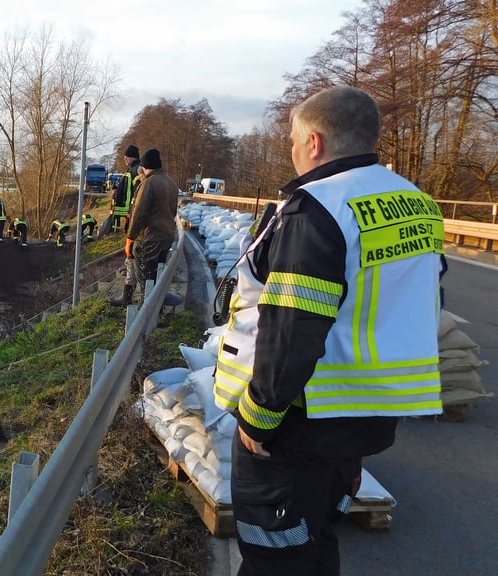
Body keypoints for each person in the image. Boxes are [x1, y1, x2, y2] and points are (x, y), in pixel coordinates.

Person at [213, 86, 445, 575]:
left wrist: (258, 415)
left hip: (296, 422)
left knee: (274, 556)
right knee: (315, 544)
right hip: (363, 419)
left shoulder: (318, 207)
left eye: (295, 141)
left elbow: (293, 325)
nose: (293, 152)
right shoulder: (417, 204)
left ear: (314, 141)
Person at [119, 148, 178, 306]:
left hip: (149, 239)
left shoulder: (149, 184)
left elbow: (139, 213)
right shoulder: (170, 182)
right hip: (167, 237)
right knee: (156, 277)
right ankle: (154, 310)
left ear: (146, 166)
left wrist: (130, 239)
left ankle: (144, 313)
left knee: (145, 278)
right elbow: (174, 211)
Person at [111, 145, 141, 233]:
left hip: (132, 209)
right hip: (130, 209)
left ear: (133, 157)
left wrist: (131, 209)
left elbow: (137, 191)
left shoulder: (135, 171)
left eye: (127, 157)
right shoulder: (132, 169)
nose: (125, 159)